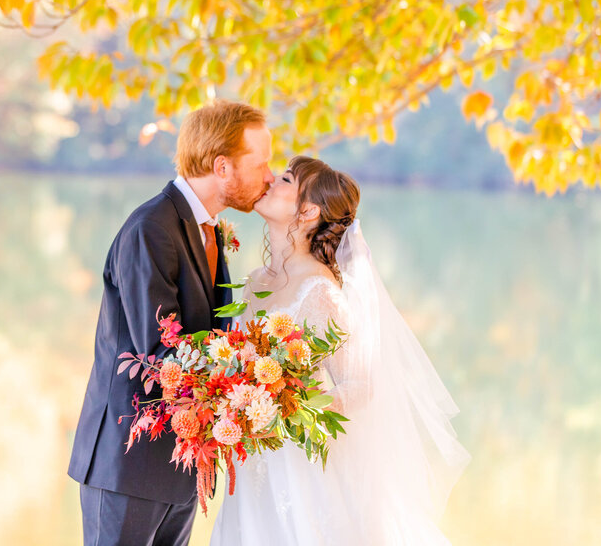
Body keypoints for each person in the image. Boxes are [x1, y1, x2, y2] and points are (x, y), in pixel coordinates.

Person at [210, 155, 470, 546]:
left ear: (309, 210)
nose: (268, 182)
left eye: (283, 179)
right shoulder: (254, 282)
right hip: (254, 461)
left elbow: (360, 384)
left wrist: (290, 409)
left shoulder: (320, 293)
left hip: (299, 461)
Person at [69, 100, 274, 546]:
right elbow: (160, 354)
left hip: (180, 465)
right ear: (222, 167)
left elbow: (207, 336)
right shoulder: (151, 228)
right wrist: (245, 383)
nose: (270, 176)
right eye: (260, 164)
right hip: (128, 465)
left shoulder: (210, 230)